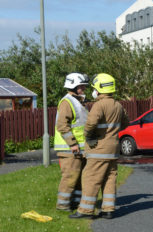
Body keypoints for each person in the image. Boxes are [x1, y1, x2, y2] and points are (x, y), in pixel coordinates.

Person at [70, 73, 129, 219]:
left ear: (100, 89)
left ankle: (85, 210)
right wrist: (111, 133)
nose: (93, 91)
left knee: (90, 177)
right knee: (110, 178)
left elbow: (90, 124)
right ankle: (109, 209)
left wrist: (89, 137)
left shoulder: (99, 105)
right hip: (113, 149)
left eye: (94, 88)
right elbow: (126, 123)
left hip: (98, 149)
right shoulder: (118, 105)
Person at [54, 73, 89, 211]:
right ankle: (62, 204)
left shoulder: (78, 101)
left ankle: (75, 203)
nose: (83, 88)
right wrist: (72, 143)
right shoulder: (67, 102)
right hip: (69, 149)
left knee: (79, 178)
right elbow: (62, 125)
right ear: (73, 86)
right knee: (70, 177)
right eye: (81, 86)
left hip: (78, 149)